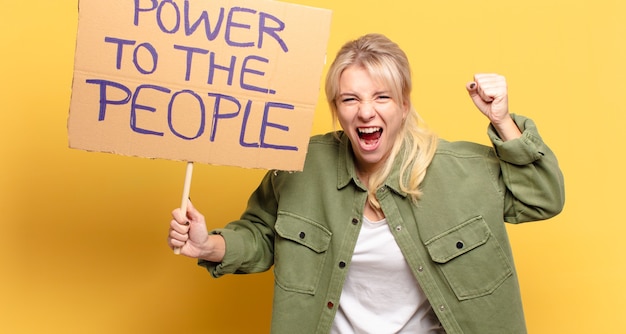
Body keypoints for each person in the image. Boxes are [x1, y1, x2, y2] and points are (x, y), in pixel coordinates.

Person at [167, 33, 565, 334]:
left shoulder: (463, 170)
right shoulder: (299, 167)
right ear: (336, 110)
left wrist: (502, 120)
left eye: (382, 97)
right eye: (350, 99)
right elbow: (261, 237)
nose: (365, 112)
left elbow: (543, 199)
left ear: (404, 104)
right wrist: (209, 245)